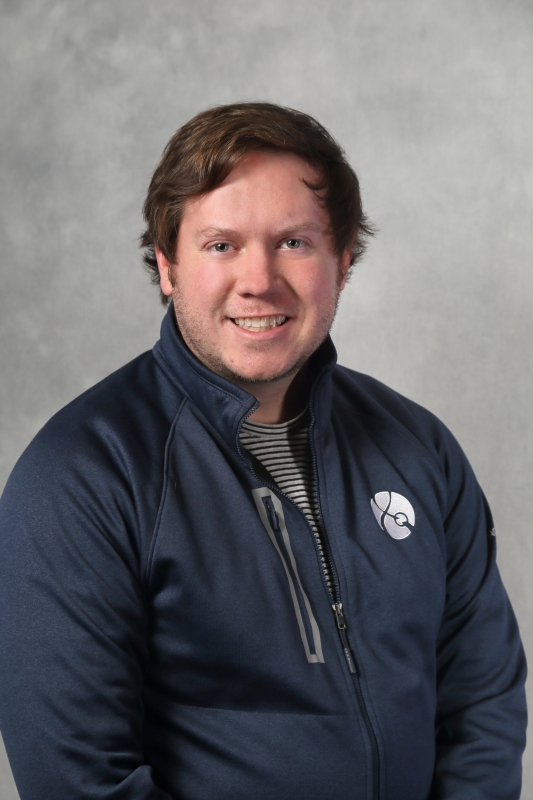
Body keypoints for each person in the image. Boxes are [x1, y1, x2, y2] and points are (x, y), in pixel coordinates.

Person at [0, 102, 526, 800]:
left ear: (342, 262)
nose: (259, 280)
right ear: (167, 266)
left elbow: (482, 702)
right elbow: (80, 779)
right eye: (221, 245)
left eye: (294, 243)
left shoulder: (417, 447)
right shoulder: (80, 477)